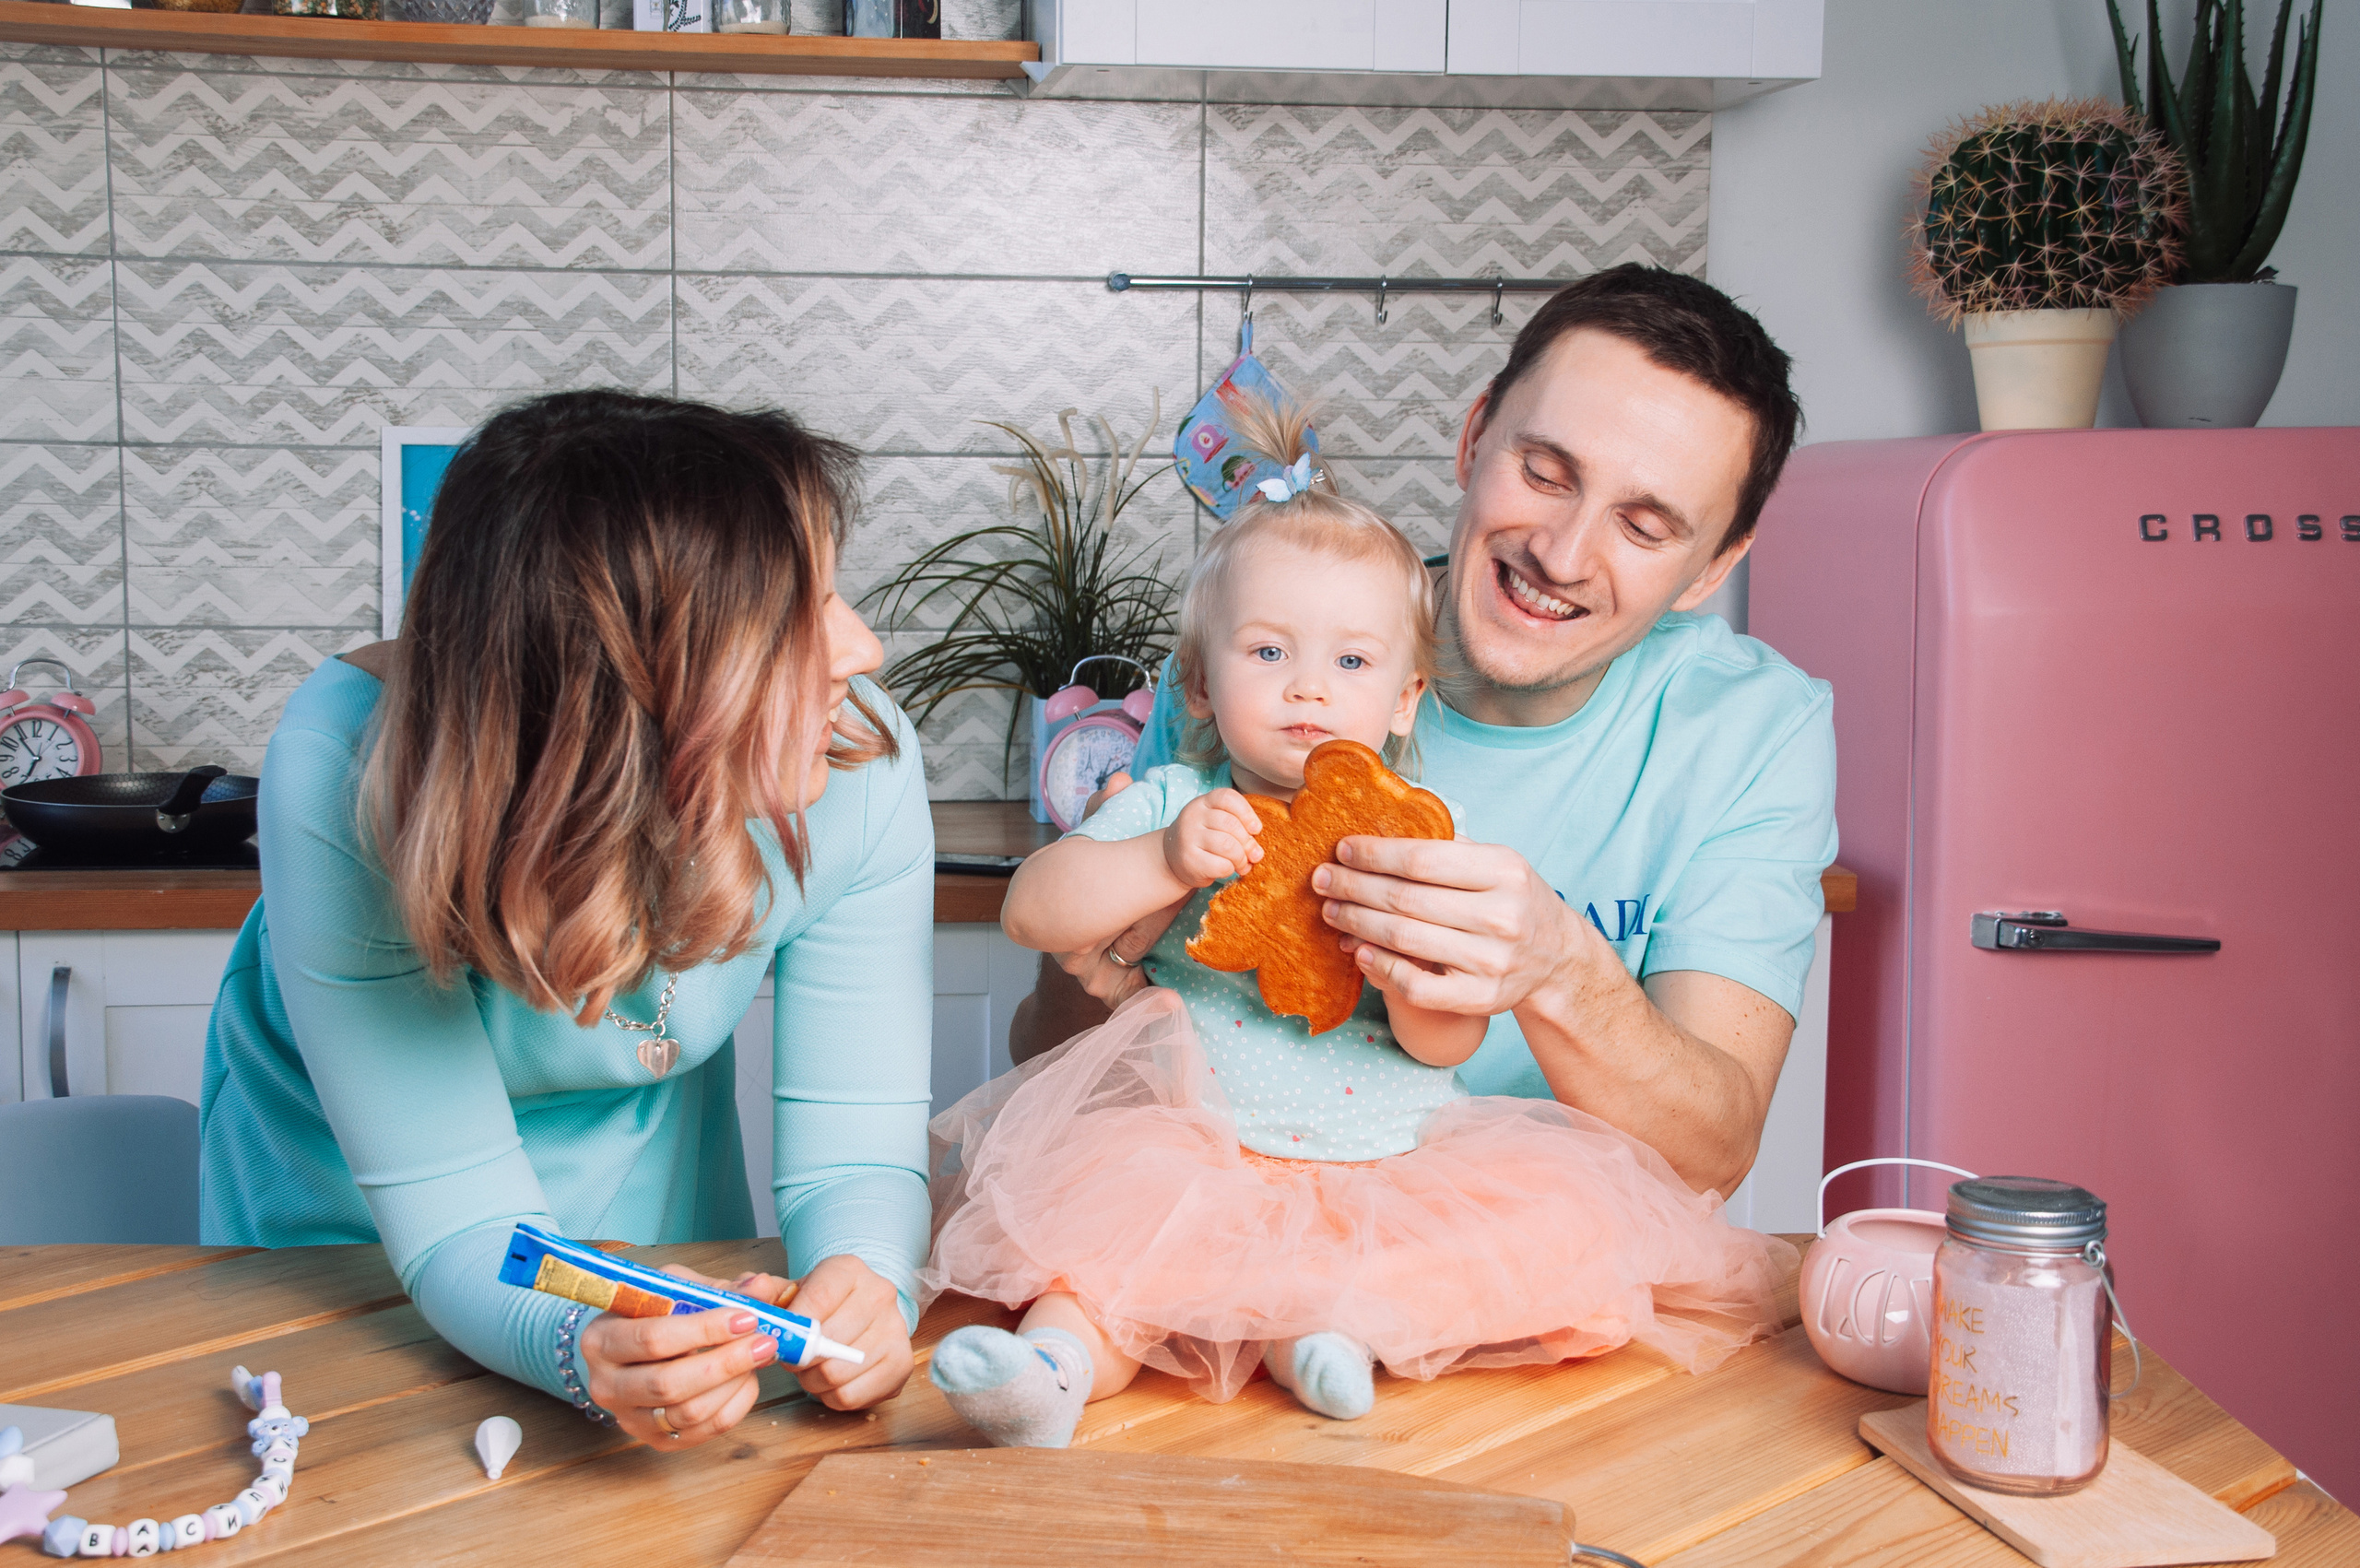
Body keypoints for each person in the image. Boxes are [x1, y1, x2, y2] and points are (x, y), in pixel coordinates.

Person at [915, 404, 1792, 1449]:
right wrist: (1157, 859)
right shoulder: (1179, 803)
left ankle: (1328, 1347)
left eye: (1350, 664)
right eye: (1269, 651)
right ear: (1198, 682)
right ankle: (1048, 1375)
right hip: (1191, 1150)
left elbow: (1443, 1044)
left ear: (1407, 697)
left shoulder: (1425, 848)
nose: (1305, 690)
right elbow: (1031, 911)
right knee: (1103, 1281)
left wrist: (1417, 977)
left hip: (1382, 1164)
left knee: (1381, 1275)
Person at [199, 392, 931, 1447]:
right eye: (798, 615)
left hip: (644, 1185)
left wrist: (868, 1286)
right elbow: (456, 1222)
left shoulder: (858, 762)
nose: (861, 649)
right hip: (347, 1229)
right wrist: (572, 1349)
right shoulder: (343, 774)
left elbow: (852, 1156)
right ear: (635, 677)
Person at [1012, 264, 1834, 1204]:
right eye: (1543, 472)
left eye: (1644, 527)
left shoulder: (1755, 731)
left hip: (1528, 1263)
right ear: (1473, 438)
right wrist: (1112, 935)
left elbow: (1713, 1155)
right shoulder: (1263, 663)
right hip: (1230, 1199)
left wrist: (1556, 966)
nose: (1560, 556)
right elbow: (1052, 1061)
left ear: (1710, 569)